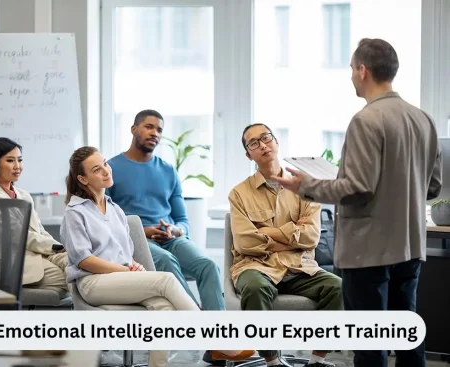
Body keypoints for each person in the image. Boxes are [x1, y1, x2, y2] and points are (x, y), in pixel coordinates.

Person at [271, 38, 442, 367]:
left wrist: (305, 185)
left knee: (369, 343)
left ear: (363, 70)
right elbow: (431, 186)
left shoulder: (366, 120)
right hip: (409, 246)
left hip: (368, 251)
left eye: (351, 69)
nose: (351, 75)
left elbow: (357, 188)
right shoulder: (424, 120)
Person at [60, 146, 255, 367]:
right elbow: (84, 260)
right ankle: (216, 341)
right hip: (92, 283)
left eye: (105, 163)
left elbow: (124, 251)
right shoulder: (75, 213)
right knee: (166, 278)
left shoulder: (115, 210)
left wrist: (133, 266)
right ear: (82, 179)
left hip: (121, 279)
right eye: (97, 169)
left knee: (164, 307)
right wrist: (126, 270)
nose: (106, 171)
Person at [106, 109, 227, 365]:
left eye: (159, 129)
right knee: (167, 263)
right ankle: (200, 324)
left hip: (169, 236)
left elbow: (183, 219)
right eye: (149, 127)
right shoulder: (111, 168)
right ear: (134, 129)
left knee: (208, 266)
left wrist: (176, 230)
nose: (155, 133)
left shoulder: (168, 171)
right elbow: (105, 219)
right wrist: (143, 230)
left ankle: (218, 342)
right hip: (134, 241)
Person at [229, 123, 343, 367]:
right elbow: (245, 242)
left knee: (339, 287)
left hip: (299, 266)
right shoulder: (238, 193)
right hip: (256, 266)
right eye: (253, 143)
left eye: (266, 138)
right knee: (255, 288)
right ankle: (272, 361)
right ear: (249, 155)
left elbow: (311, 236)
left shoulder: (305, 187)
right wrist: (292, 237)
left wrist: (267, 233)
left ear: (276, 142)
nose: (262, 145)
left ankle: (317, 361)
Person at [0, 137, 68, 293]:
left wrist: (61, 249)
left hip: (41, 253)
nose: (17, 167)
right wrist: (56, 247)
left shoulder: (24, 195)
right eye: (10, 161)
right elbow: (19, 236)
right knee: (76, 276)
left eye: (19, 160)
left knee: (79, 264)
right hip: (17, 263)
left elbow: (39, 230)